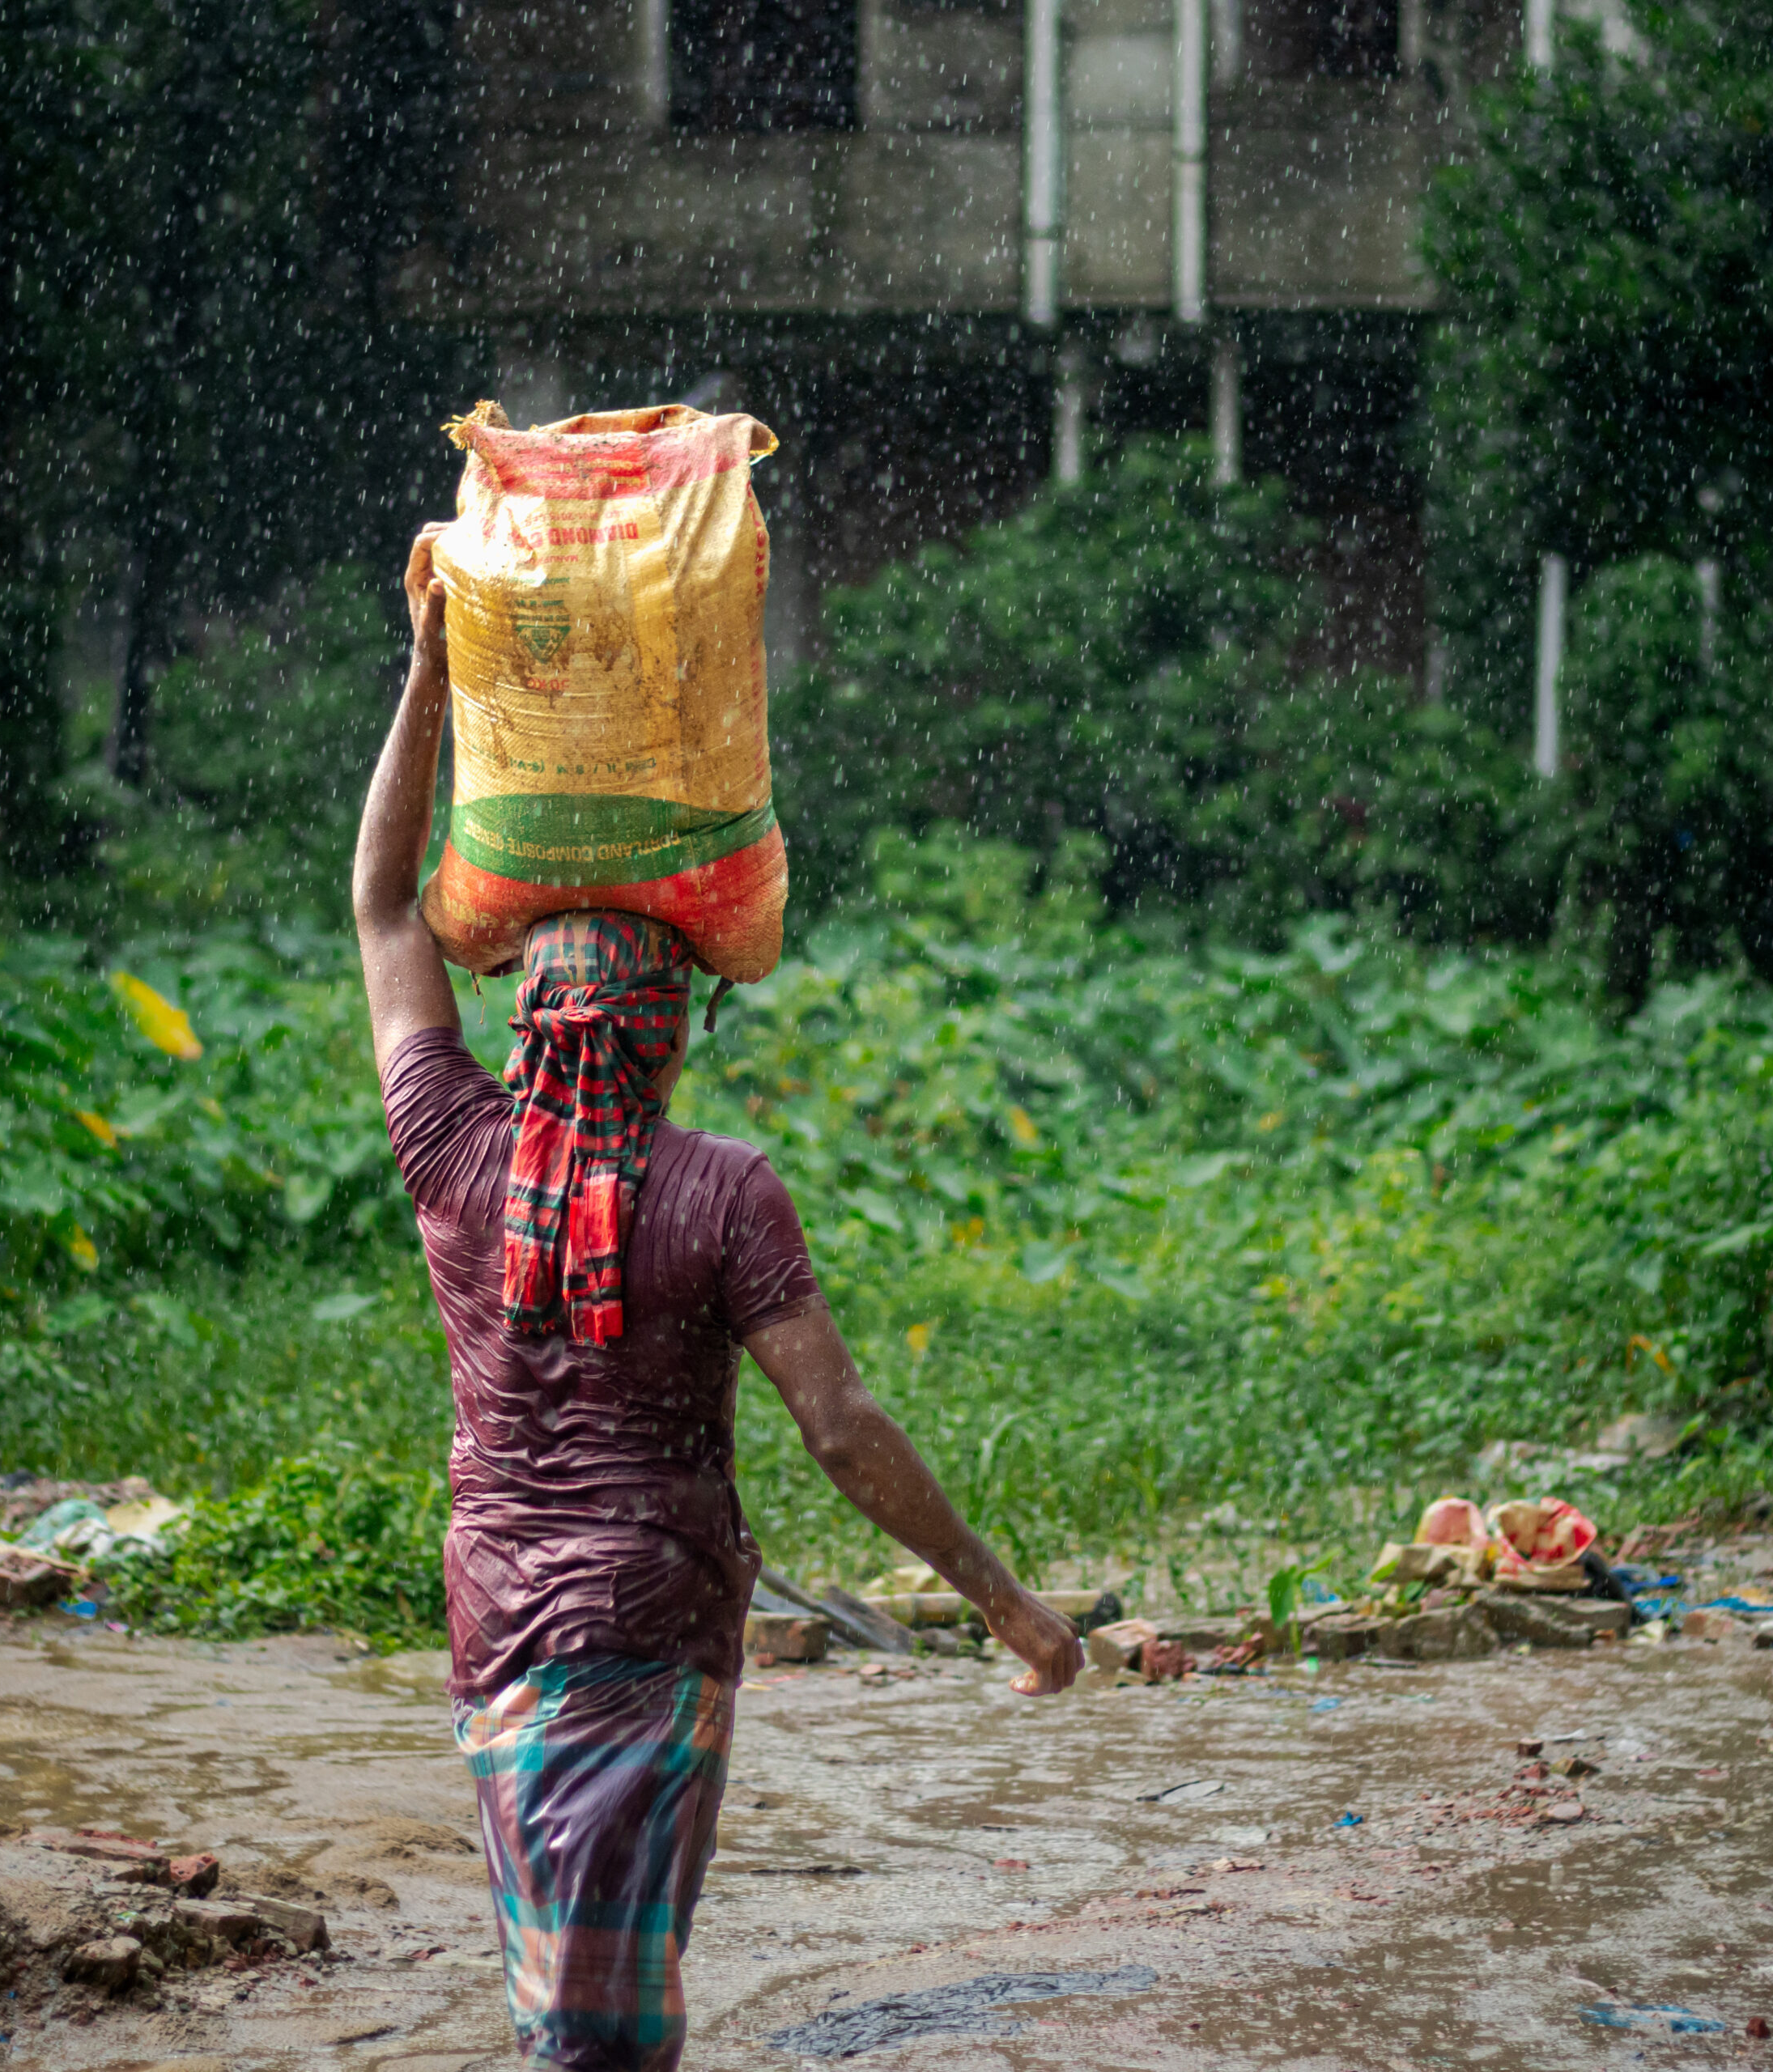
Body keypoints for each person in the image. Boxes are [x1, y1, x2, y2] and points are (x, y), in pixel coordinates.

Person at [352, 522, 1082, 2072]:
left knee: (566, 1987)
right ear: (669, 1035)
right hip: (660, 1627)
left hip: (499, 1625)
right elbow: (842, 1430)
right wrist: (1004, 1602)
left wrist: (428, 675)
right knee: (614, 2004)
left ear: (530, 1029)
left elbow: (386, 912)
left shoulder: (452, 1154)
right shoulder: (725, 1193)